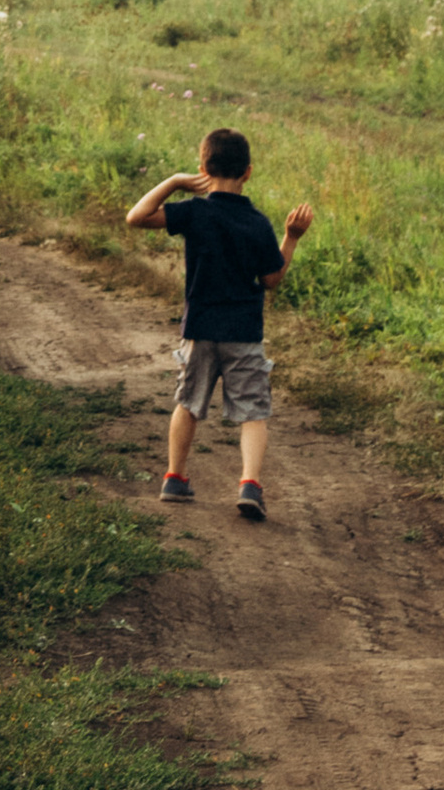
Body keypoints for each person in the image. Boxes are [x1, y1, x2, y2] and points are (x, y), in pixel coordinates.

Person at [124, 123, 312, 521]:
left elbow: (136, 217)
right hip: (243, 332)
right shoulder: (258, 223)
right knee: (253, 412)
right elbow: (271, 279)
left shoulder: (195, 212)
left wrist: (175, 182)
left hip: (200, 328)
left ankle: (175, 478)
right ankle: (250, 485)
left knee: (188, 402)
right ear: (248, 172)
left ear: (203, 169)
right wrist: (292, 237)